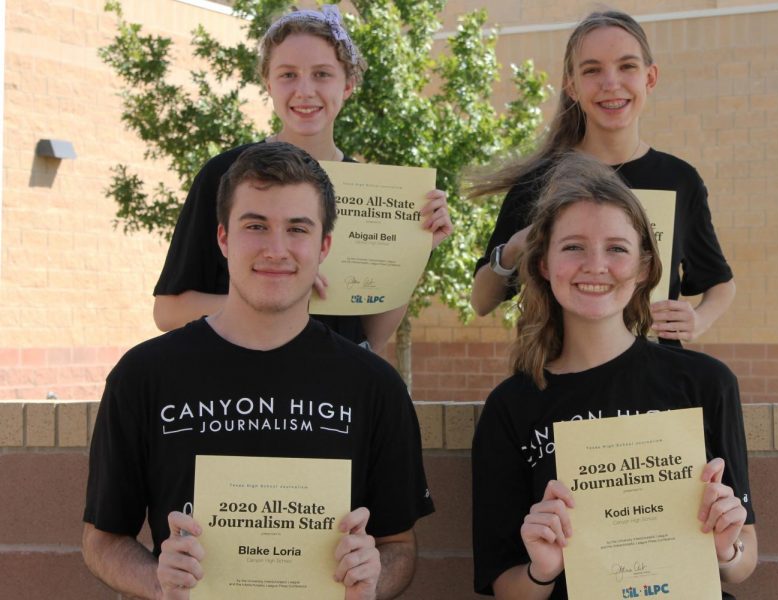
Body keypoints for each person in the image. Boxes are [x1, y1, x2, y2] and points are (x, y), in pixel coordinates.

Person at [83, 143, 434, 600]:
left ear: (323, 245)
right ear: (223, 238)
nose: (276, 248)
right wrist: (157, 579)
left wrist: (373, 578)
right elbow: (101, 539)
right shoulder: (144, 376)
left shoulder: (375, 387)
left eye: (297, 229)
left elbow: (399, 548)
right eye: (255, 226)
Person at [471, 153, 756, 599]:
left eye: (617, 248)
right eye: (573, 247)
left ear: (644, 268)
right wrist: (542, 569)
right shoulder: (512, 406)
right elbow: (510, 588)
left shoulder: (706, 383)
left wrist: (726, 549)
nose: (595, 265)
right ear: (544, 264)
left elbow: (743, 563)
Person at [153, 5, 452, 352]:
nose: (305, 90)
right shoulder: (224, 175)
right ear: (268, 83)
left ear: (349, 85)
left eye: (322, 74)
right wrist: (276, 299)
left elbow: (373, 335)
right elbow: (168, 312)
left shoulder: (372, 190)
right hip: (239, 388)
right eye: (288, 74)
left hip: (330, 391)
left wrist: (414, 249)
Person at [470, 10, 734, 345]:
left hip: (654, 380)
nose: (611, 84)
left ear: (650, 78)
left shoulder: (680, 179)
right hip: (561, 380)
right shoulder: (540, 181)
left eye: (627, 67)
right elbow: (481, 302)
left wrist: (699, 319)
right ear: (572, 85)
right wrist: (518, 247)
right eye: (592, 70)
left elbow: (721, 283)